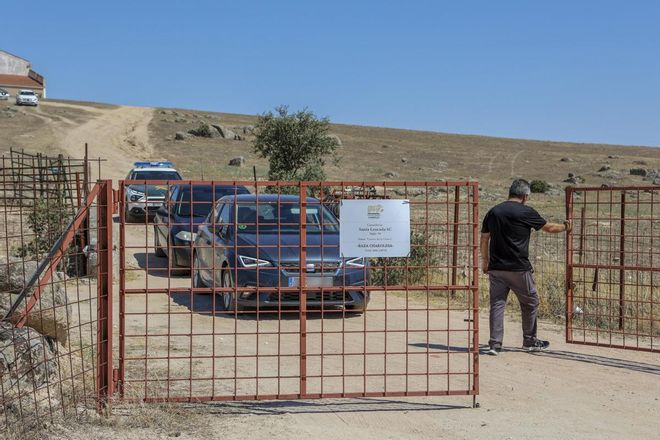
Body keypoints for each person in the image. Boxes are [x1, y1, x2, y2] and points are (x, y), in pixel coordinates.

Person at [480, 179, 571, 355]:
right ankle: (529, 340)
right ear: (525, 196)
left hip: (496, 267)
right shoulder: (526, 212)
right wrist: (566, 227)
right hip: (518, 268)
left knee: (497, 304)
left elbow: (484, 238)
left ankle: (495, 344)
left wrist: (485, 261)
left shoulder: (494, 211)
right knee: (530, 302)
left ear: (510, 192)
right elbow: (549, 228)